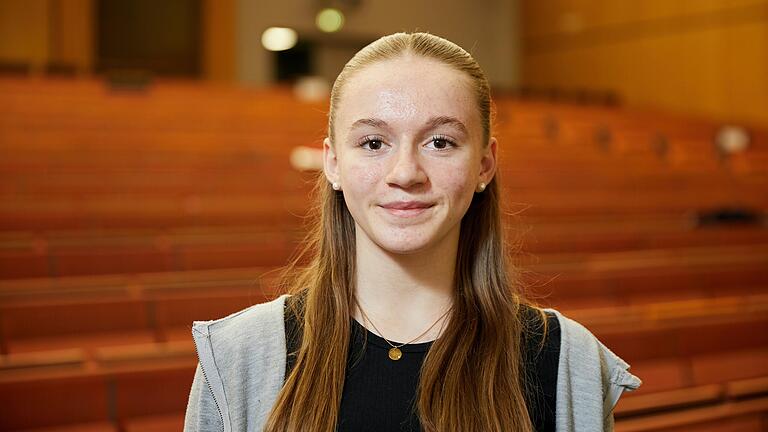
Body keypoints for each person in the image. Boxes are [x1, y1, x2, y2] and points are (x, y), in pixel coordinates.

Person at [184, 32, 641, 432]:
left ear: (484, 164)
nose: (405, 173)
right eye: (373, 143)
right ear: (334, 163)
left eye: (440, 142)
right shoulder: (237, 357)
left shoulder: (566, 360)